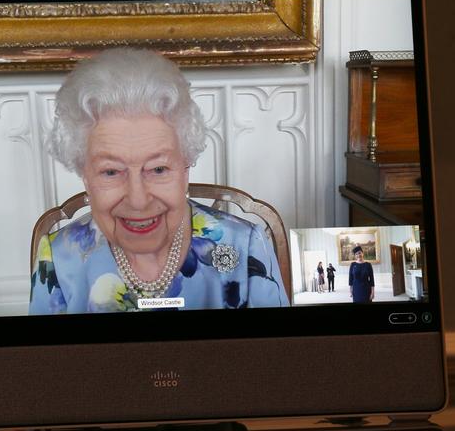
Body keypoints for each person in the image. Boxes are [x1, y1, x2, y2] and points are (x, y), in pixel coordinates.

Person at [29, 48, 289, 314]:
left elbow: (279, 354)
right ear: (84, 174)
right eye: (111, 172)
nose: (138, 201)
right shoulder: (59, 260)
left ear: (185, 167)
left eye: (158, 169)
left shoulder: (243, 247)